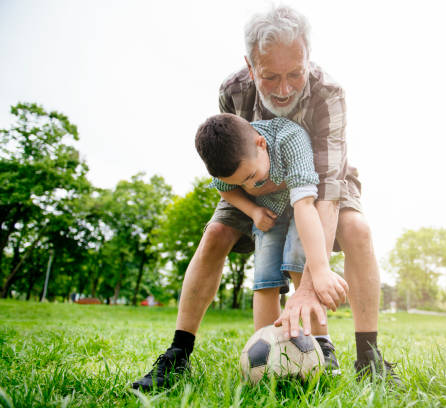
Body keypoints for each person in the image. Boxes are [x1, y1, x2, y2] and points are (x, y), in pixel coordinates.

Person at [132, 5, 399, 391]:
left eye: (295, 73)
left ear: (308, 55)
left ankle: (368, 357)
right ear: (250, 64)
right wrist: (253, 204)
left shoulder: (330, 94)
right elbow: (231, 167)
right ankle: (177, 356)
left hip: (319, 182)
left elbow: (324, 191)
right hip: (254, 181)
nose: (285, 88)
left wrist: (310, 284)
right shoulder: (232, 90)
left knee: (356, 228)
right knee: (214, 236)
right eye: (270, 76)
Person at [195, 113, 345, 377]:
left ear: (261, 144)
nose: (250, 185)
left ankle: (322, 344)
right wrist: (252, 210)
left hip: (302, 207)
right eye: (241, 182)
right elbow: (224, 189)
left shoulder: (290, 138)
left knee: (301, 264)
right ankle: (266, 350)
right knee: (264, 279)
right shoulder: (228, 163)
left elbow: (305, 205)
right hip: (268, 216)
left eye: (251, 175)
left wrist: (320, 269)